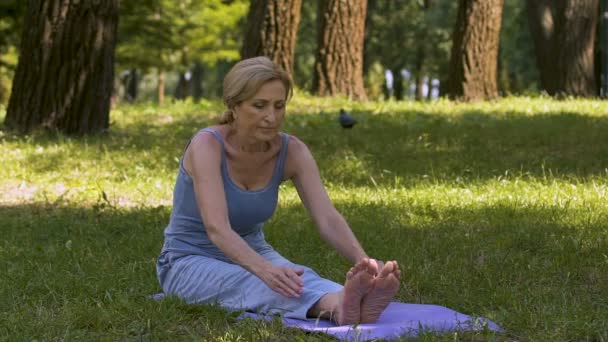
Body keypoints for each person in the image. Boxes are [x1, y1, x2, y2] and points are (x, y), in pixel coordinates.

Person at [156, 56, 401, 325]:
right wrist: (265, 270)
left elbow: (327, 218)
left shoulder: (292, 151)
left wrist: (365, 261)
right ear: (234, 106)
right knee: (261, 282)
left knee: (298, 277)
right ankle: (338, 305)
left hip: (254, 249)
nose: (271, 117)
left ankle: (354, 300)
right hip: (187, 260)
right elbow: (217, 229)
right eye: (259, 106)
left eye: (279, 106)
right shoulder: (207, 146)